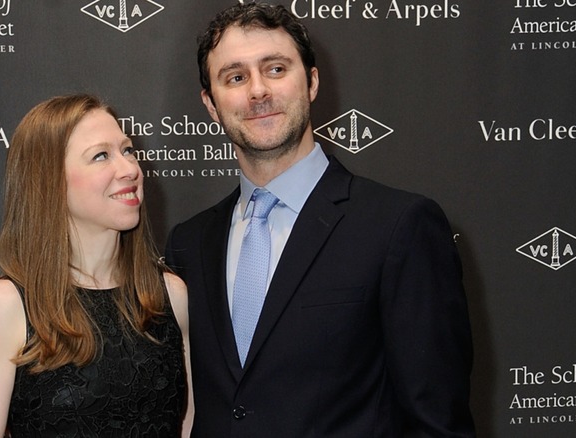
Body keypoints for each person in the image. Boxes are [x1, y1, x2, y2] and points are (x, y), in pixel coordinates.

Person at [165, 2, 475, 437]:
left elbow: (437, 422)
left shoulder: (399, 226)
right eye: (235, 77)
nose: (257, 91)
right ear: (211, 105)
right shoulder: (187, 244)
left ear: (311, 82)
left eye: (275, 69)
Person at [0, 94, 193, 437]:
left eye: (127, 150)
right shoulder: (5, 306)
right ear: (49, 181)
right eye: (101, 156)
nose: (130, 169)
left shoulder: (169, 295)